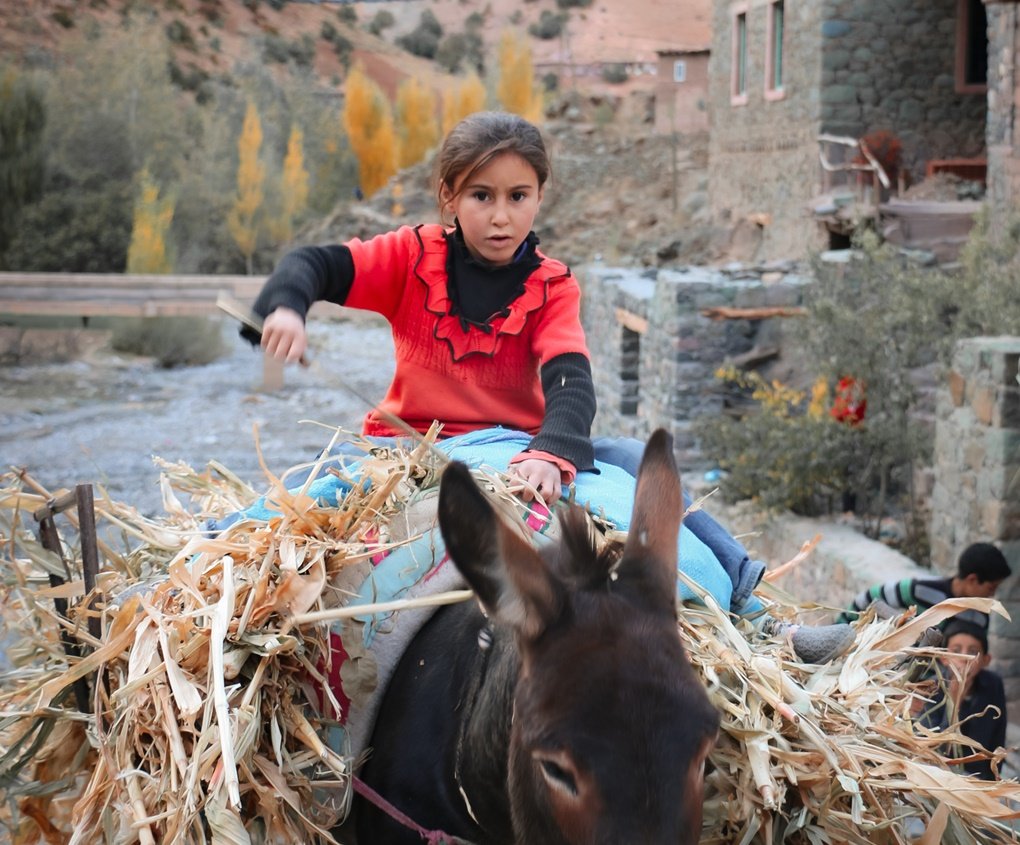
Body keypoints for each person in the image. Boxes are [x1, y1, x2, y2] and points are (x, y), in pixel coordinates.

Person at [243, 110, 850, 662]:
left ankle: (756, 618)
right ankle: (211, 595)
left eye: (518, 195)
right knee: (304, 499)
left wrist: (551, 453)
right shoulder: (410, 257)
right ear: (449, 195)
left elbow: (570, 379)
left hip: (522, 446)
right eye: (481, 196)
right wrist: (288, 308)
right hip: (410, 450)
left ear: (540, 197)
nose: (500, 215)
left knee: (641, 464)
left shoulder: (552, 285)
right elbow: (313, 264)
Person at [838, 542, 1012, 629]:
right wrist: (839, 629)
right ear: (972, 579)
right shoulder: (920, 591)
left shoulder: (979, 617)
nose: (991, 596)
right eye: (991, 588)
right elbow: (870, 599)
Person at [915, 619, 1008, 780]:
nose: (964, 658)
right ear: (944, 658)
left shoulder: (993, 684)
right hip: (940, 777)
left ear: (986, 660)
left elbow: (998, 737)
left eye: (973, 652)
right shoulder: (931, 688)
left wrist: (994, 780)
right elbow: (935, 749)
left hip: (979, 779)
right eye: (956, 650)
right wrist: (954, 698)